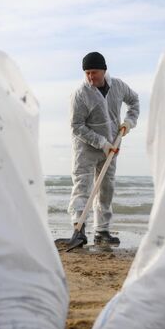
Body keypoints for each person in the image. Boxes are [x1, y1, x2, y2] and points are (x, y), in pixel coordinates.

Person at [68, 51, 140, 246]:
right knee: (82, 185)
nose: (91, 77)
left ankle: (102, 231)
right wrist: (101, 143)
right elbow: (76, 126)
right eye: (87, 73)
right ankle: (79, 228)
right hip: (86, 147)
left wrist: (129, 122)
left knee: (106, 188)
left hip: (112, 146)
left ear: (104, 70)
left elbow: (134, 102)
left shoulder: (118, 86)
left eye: (94, 72)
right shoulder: (81, 94)